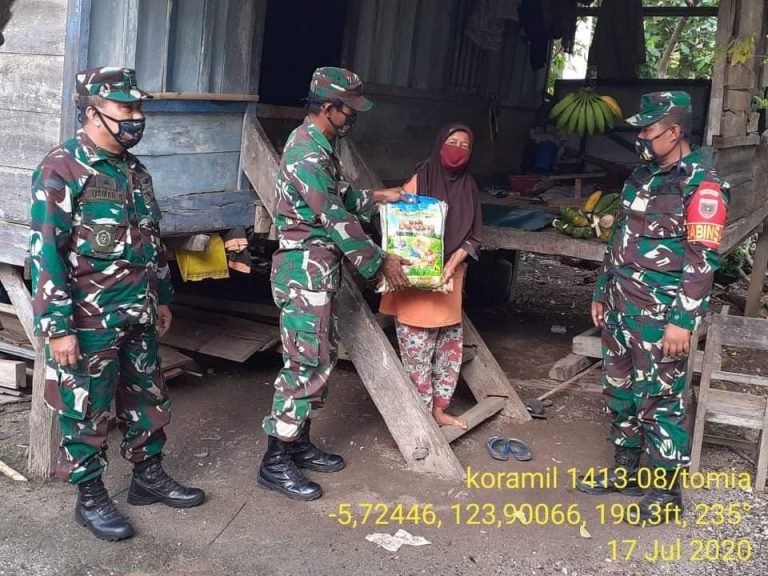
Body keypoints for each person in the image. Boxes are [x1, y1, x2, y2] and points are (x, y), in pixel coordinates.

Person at [29, 67, 205, 542]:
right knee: (85, 410)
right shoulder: (61, 168)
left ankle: (147, 477)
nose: (136, 117)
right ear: (92, 112)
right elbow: (45, 252)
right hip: (88, 321)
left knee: (147, 398)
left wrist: (163, 297)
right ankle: (89, 497)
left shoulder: (135, 171)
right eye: (126, 109)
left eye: (138, 107)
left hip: (139, 312)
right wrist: (58, 327)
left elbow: (150, 241)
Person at [259, 67, 410, 501]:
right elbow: (335, 217)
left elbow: (341, 195)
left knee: (320, 355)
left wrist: (381, 196)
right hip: (304, 270)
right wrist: (378, 262)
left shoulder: (322, 148)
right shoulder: (306, 151)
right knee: (304, 364)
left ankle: (298, 442)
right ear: (329, 108)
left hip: (317, 271)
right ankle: (275, 459)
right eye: (349, 110)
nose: (352, 118)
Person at [576, 92, 728, 523]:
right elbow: (618, 240)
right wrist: (601, 290)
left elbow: (702, 259)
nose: (640, 137)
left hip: (661, 317)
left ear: (675, 131)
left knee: (660, 399)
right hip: (620, 307)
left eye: (647, 130)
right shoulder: (641, 178)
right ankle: (626, 472)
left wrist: (683, 320)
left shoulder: (701, 185)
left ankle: (665, 495)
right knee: (620, 391)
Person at [380, 124, 483, 430]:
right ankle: (420, 416)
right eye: (453, 142)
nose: (458, 150)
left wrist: (452, 264)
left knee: (448, 349)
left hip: (450, 278)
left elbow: (474, 236)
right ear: (440, 144)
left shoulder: (469, 185)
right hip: (415, 278)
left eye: (465, 145)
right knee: (417, 350)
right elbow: (399, 225)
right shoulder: (420, 178)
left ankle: (439, 410)